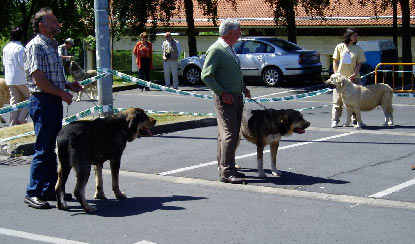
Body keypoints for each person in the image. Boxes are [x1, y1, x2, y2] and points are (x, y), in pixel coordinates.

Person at [24, 7, 83, 209]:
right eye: (53, 21)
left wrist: (68, 85)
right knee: (43, 148)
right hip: (43, 101)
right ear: (42, 25)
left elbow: (52, 77)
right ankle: (33, 192)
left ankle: (49, 188)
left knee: (52, 148)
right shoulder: (36, 46)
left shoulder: (52, 44)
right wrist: (61, 93)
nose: (58, 24)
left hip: (53, 100)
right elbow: (39, 80)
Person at [201, 18, 251, 184]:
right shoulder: (216, 50)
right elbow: (206, 75)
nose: (240, 34)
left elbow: (235, 71)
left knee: (228, 134)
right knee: (230, 134)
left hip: (236, 97)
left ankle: (226, 166)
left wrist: (243, 87)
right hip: (225, 99)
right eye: (238, 31)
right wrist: (222, 93)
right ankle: (227, 172)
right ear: (230, 32)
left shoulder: (229, 48)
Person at [331, 28, 366, 128]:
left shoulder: (358, 48)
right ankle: (335, 120)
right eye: (354, 35)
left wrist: (354, 74)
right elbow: (335, 61)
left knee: (356, 102)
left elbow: (359, 64)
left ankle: (356, 120)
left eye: (356, 35)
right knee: (337, 100)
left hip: (354, 79)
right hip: (340, 80)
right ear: (349, 36)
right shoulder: (339, 47)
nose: (356, 37)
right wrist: (336, 74)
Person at [2, 27, 30, 126]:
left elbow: (4, 63)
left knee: (14, 101)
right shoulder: (20, 48)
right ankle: (21, 119)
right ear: (21, 37)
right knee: (31, 97)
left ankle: (13, 122)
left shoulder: (6, 47)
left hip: (9, 78)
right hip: (21, 78)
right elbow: (24, 65)